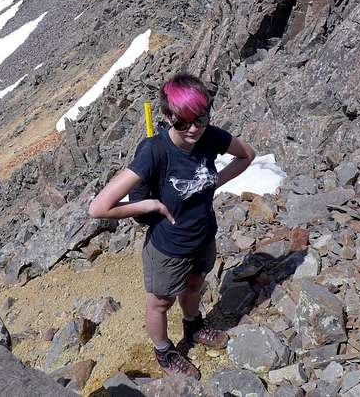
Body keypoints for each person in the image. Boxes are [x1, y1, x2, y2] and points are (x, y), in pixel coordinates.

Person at [89, 72, 255, 378]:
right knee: (160, 304)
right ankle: (164, 352)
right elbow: (99, 207)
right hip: (168, 249)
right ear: (167, 116)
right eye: (182, 122)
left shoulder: (211, 136)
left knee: (195, 285)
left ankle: (193, 326)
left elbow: (247, 155)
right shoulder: (155, 151)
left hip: (204, 236)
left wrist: (214, 182)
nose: (193, 129)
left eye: (200, 119)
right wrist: (148, 205)